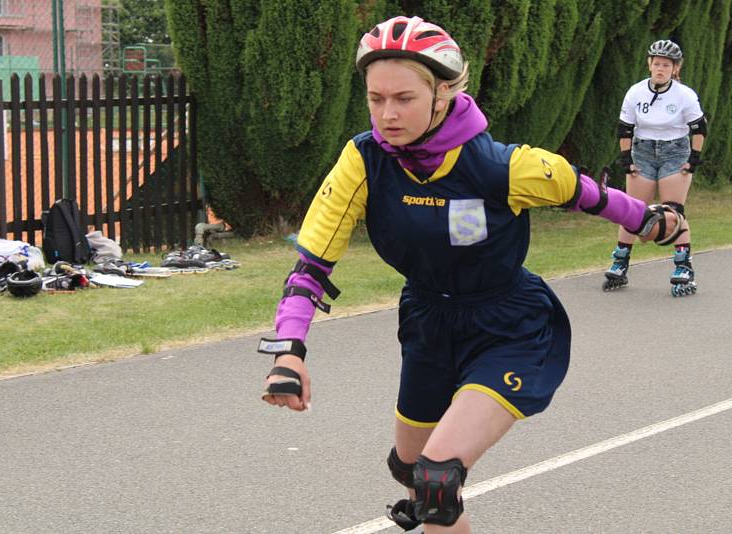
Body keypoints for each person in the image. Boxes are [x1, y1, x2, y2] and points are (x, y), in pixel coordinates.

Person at [257, 16, 682, 533]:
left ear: (443, 93)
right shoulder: (364, 160)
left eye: (404, 98)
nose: (387, 115)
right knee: (411, 471)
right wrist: (288, 351)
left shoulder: (501, 166)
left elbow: (583, 192)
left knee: (437, 480)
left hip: (508, 324)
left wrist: (650, 220)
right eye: (375, 98)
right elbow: (313, 262)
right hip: (428, 321)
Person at [605, 39, 707, 296]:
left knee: (673, 211)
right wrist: (626, 159)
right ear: (649, 65)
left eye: (666, 65)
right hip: (643, 152)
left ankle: (683, 267)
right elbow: (625, 128)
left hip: (675, 151)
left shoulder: (685, 95)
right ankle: (620, 262)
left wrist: (694, 158)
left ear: (675, 68)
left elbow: (698, 128)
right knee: (632, 211)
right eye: (657, 63)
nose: (660, 68)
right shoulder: (635, 92)